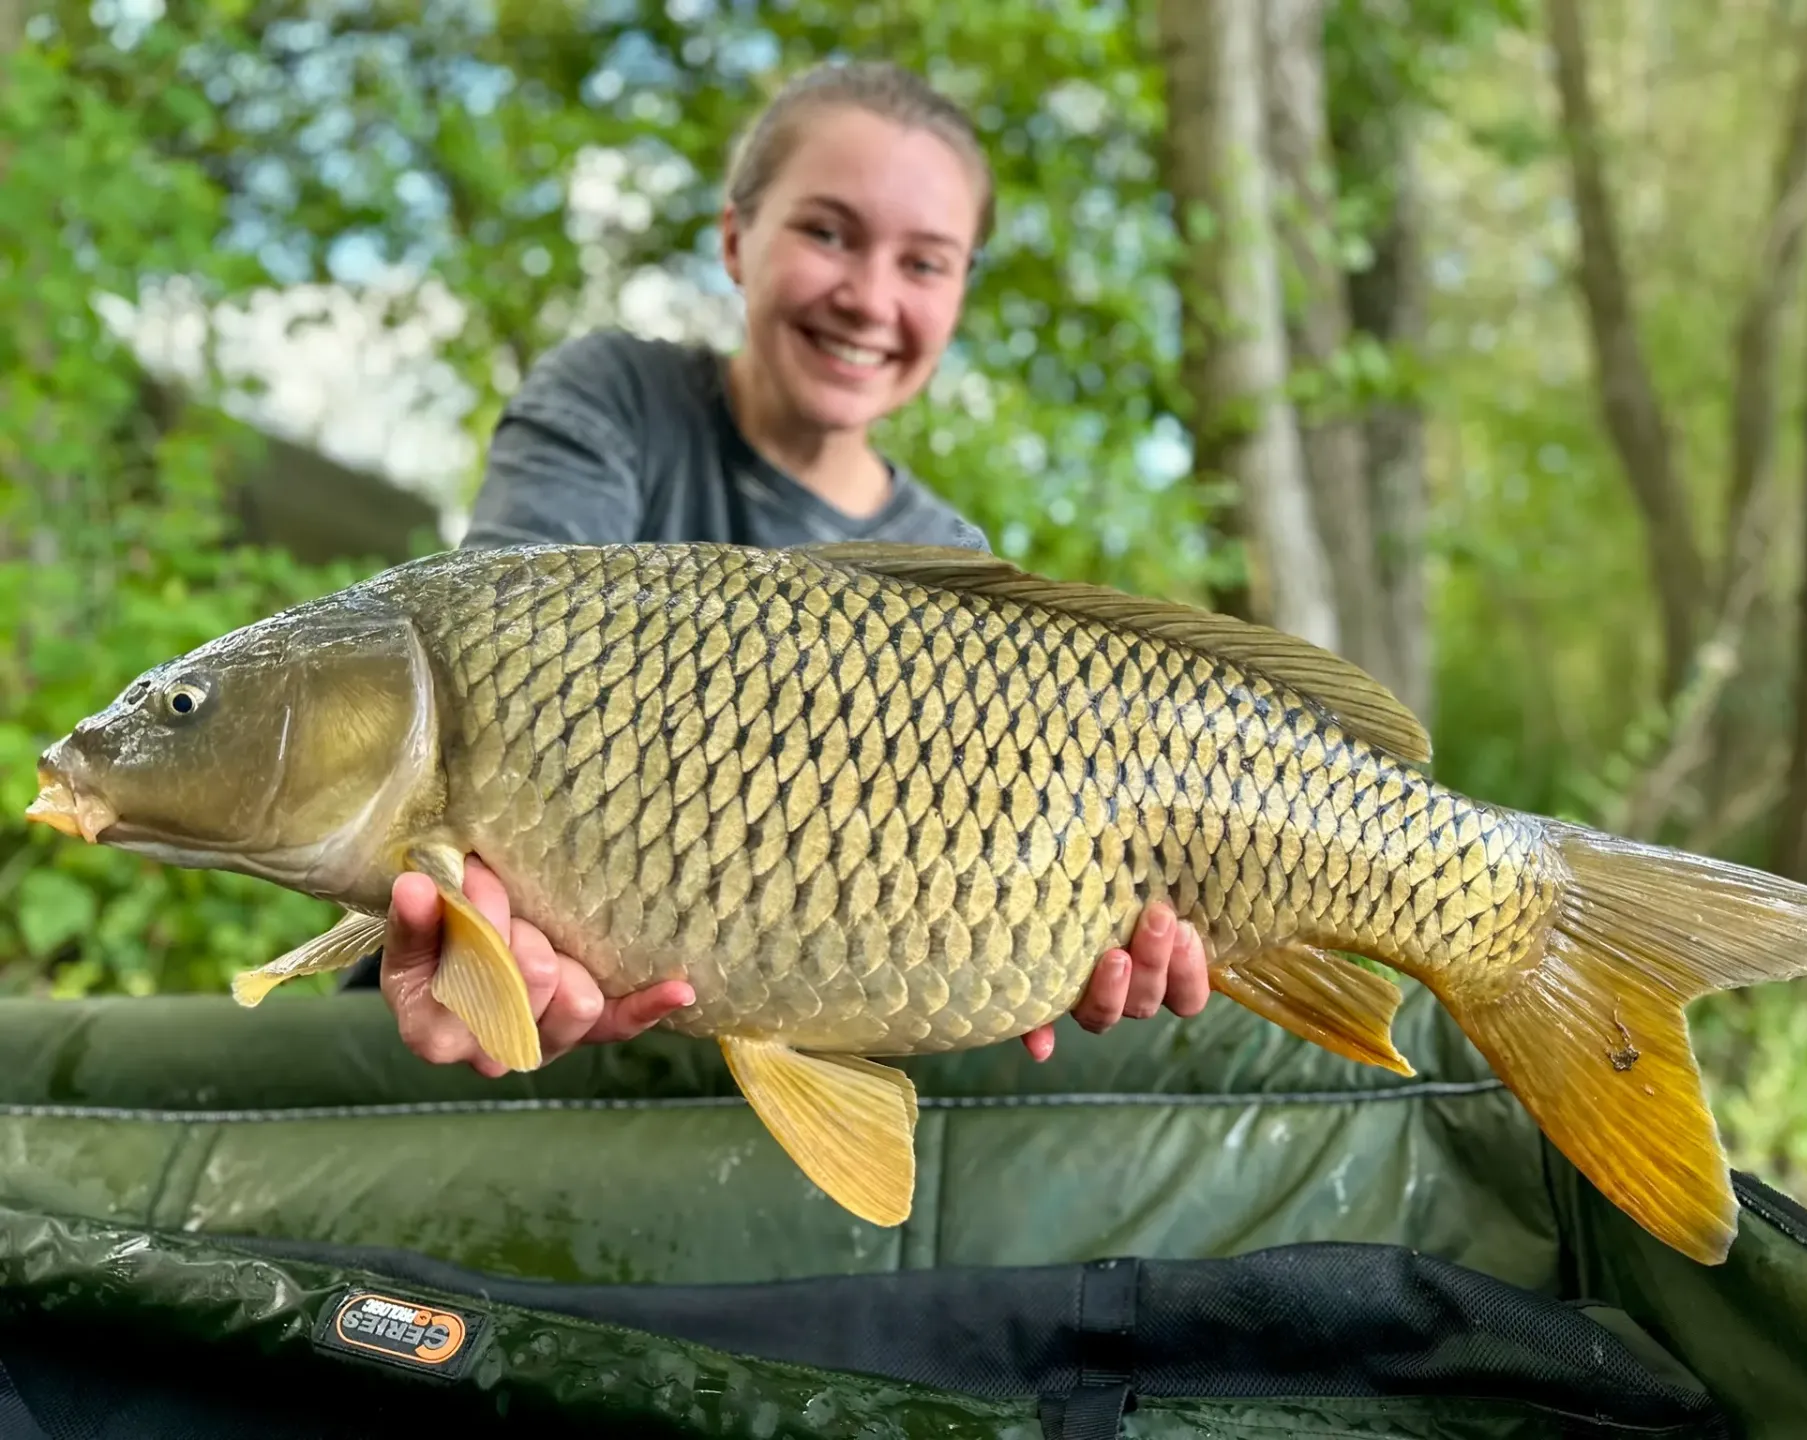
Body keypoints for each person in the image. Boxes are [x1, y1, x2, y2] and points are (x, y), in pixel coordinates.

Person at [343, 58, 1211, 1078]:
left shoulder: (959, 573)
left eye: (924, 263)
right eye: (827, 233)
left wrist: (1060, 945)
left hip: (759, 1047)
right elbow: (491, 657)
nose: (868, 297)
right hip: (492, 1005)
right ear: (734, 238)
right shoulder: (619, 400)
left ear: (962, 293)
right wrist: (468, 937)